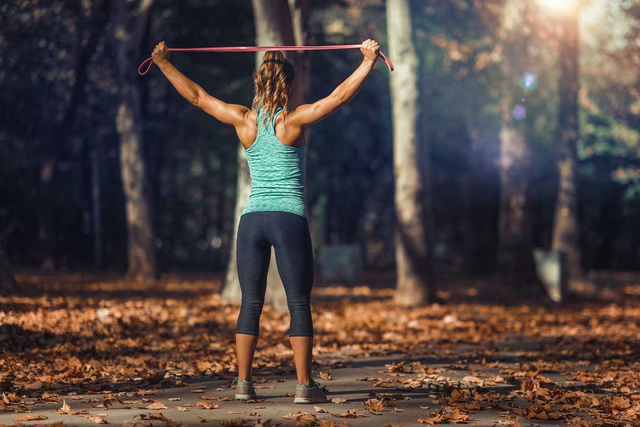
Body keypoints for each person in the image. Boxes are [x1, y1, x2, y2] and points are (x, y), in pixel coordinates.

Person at [151, 38, 380, 404]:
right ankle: (305, 387)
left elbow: (197, 96)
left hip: (252, 220)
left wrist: (163, 63)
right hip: (287, 218)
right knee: (299, 303)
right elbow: (337, 98)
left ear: (258, 84)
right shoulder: (292, 121)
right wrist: (368, 61)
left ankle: (244, 384)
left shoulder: (243, 120)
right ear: (288, 85)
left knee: (250, 304)